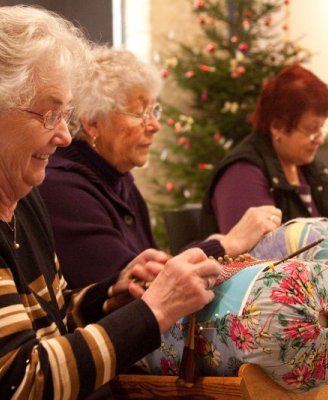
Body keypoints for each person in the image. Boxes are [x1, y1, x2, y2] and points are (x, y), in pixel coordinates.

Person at [0, 5, 222, 399]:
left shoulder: (27, 200)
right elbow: (24, 380)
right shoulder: (52, 188)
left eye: (64, 115)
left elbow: (57, 317)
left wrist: (112, 292)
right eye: (51, 114)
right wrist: (154, 310)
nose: (65, 137)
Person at [201, 64, 328, 400]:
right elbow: (257, 256)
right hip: (272, 304)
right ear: (278, 126)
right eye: (311, 130)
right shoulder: (243, 171)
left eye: (321, 128)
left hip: (320, 292)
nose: (318, 138)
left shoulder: (311, 169)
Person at [38, 46, 281, 288]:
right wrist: (226, 244)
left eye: (154, 110)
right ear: (92, 124)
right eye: (139, 113)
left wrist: (215, 245)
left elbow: (153, 270)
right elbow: (137, 289)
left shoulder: (118, 179)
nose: (154, 125)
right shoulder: (63, 186)